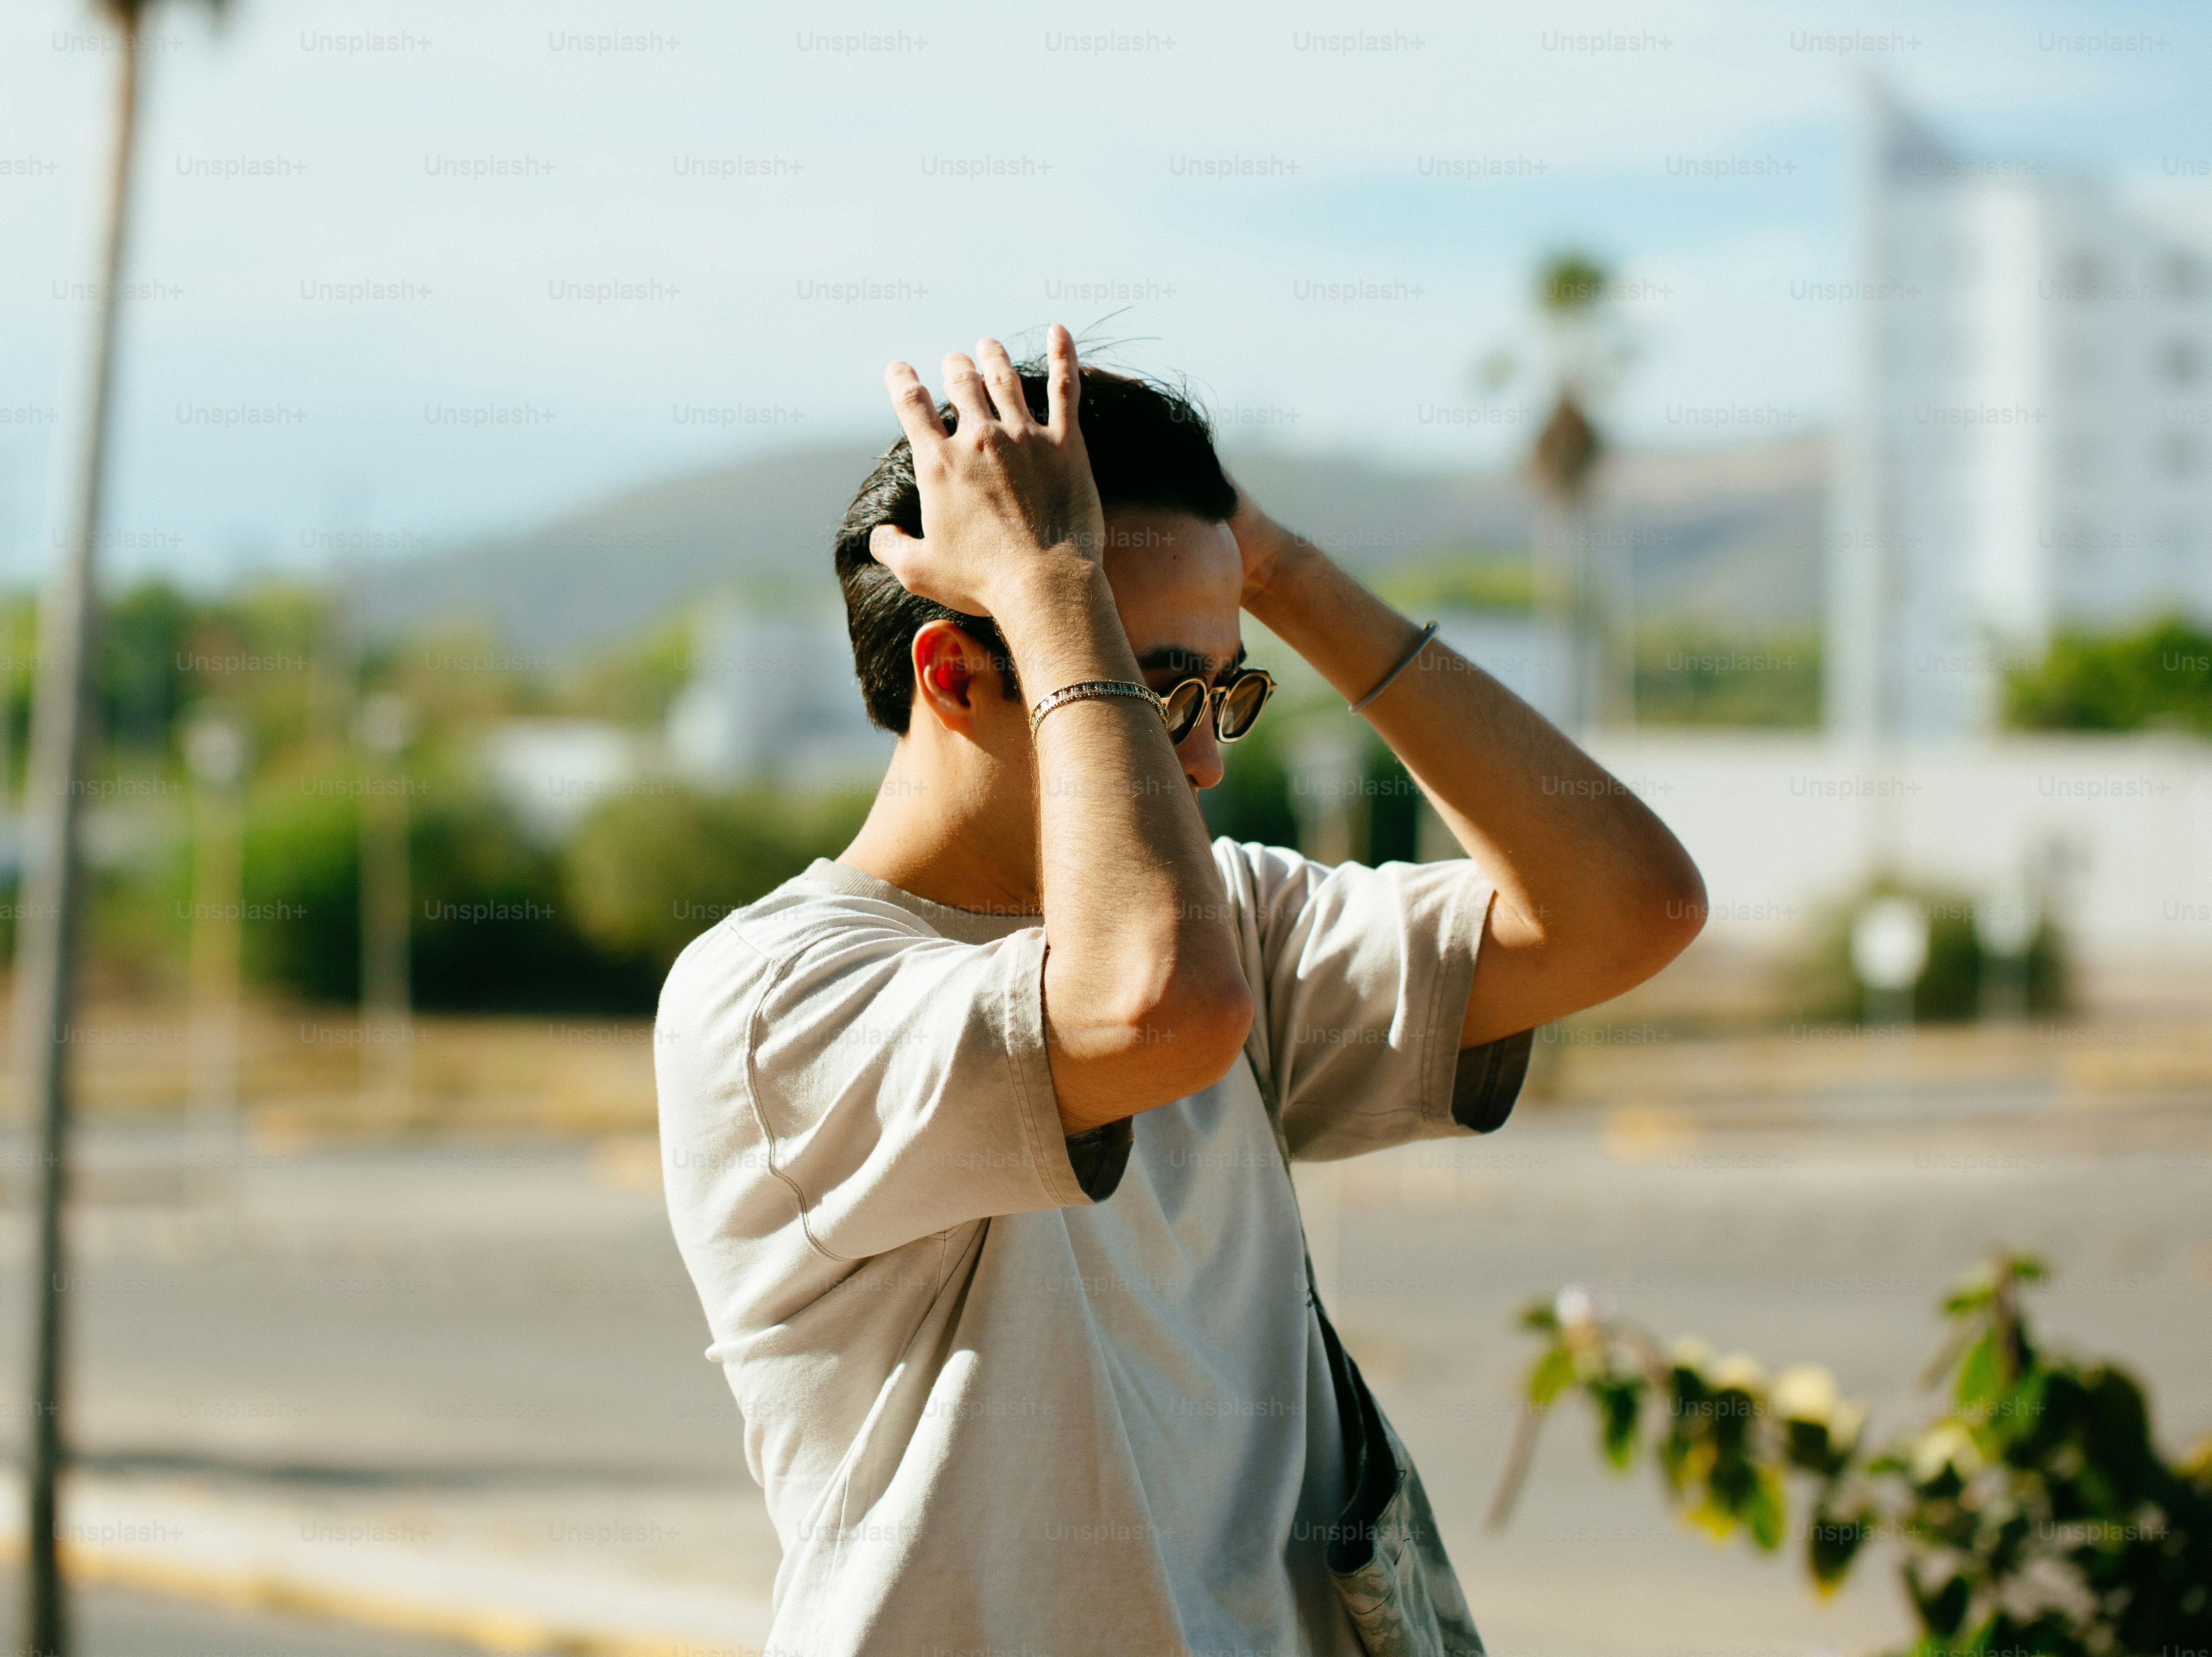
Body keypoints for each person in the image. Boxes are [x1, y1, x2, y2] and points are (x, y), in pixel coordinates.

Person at [655, 324, 1705, 1656]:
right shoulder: (775, 995)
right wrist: (1049, 586)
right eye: (1161, 694)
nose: (1207, 761)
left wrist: (1278, 566)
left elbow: (1629, 910)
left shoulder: (1232, 920)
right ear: (952, 671)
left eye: (1228, 687)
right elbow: (1150, 1009)